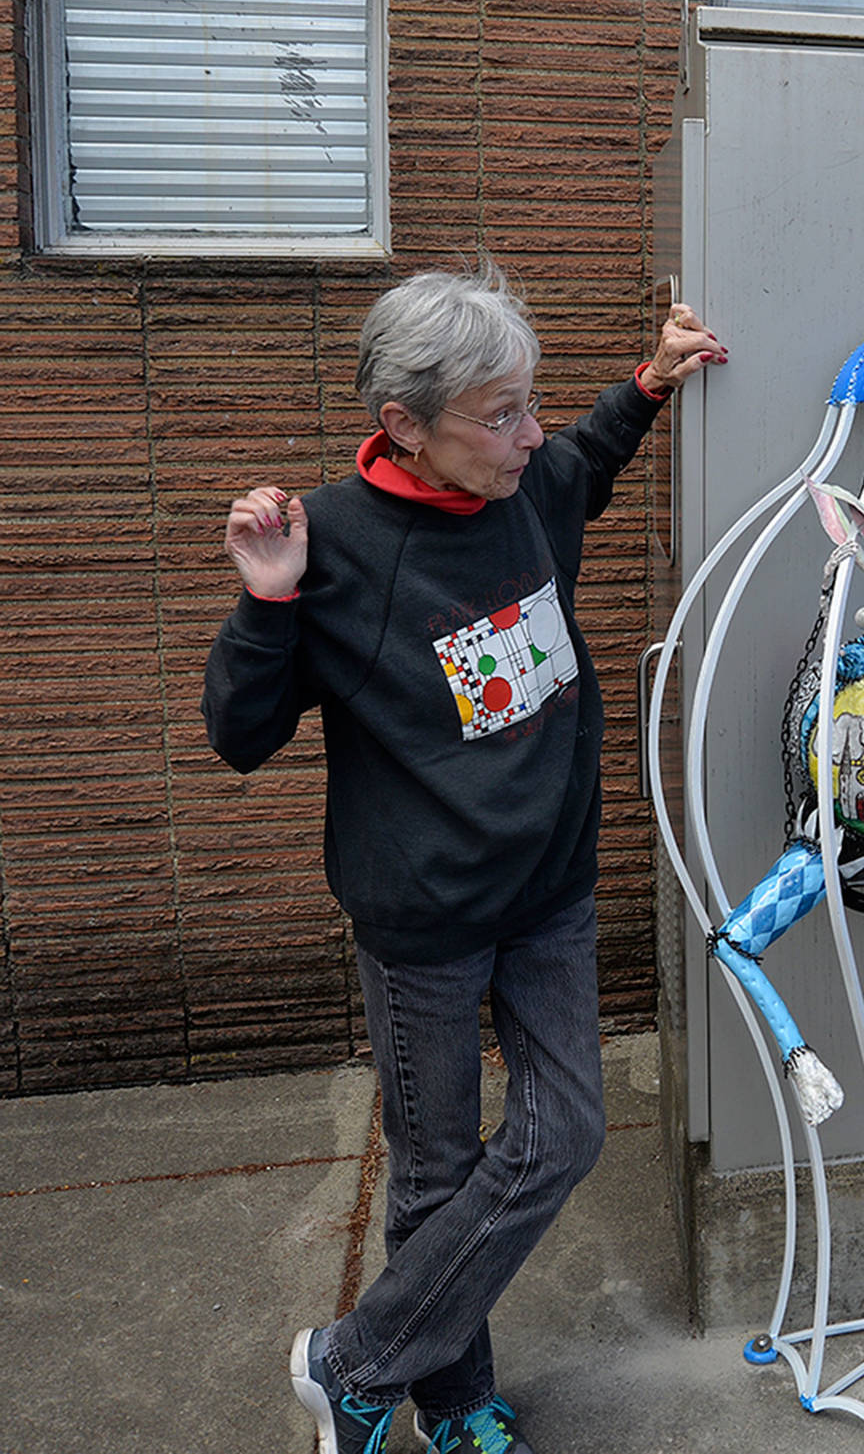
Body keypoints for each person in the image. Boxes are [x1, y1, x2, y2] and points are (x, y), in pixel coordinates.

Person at [203, 262, 725, 1454]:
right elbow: (239, 736)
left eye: (529, 402)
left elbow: (577, 462)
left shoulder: (524, 484)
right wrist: (267, 603)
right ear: (404, 425)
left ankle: (352, 1362)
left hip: (549, 888)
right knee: (437, 1175)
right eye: (499, 415)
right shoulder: (330, 541)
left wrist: (647, 379)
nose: (528, 435)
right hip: (422, 915)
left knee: (565, 1130)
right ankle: (452, 1403)